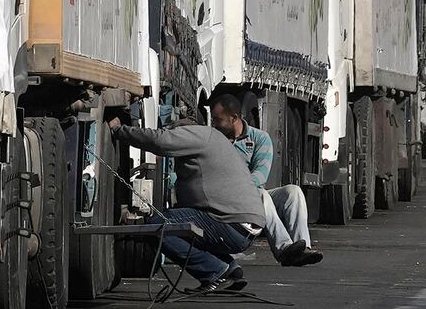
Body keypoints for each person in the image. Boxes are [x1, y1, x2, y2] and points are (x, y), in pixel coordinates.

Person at [109, 111, 322, 294]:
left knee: (159, 225)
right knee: (192, 223)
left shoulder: (202, 136)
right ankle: (231, 271)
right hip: (240, 221)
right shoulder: (217, 140)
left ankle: (215, 272)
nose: (175, 133)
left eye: (178, 131)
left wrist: (120, 131)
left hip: (235, 219)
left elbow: (160, 141)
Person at [207, 93, 313, 250]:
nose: (214, 124)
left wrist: (242, 186)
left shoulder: (259, 138)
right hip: (226, 197)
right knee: (261, 195)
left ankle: (303, 247)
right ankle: (284, 248)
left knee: (293, 192)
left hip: (248, 192)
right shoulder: (213, 140)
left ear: (234, 118)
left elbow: (260, 175)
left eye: (218, 120)